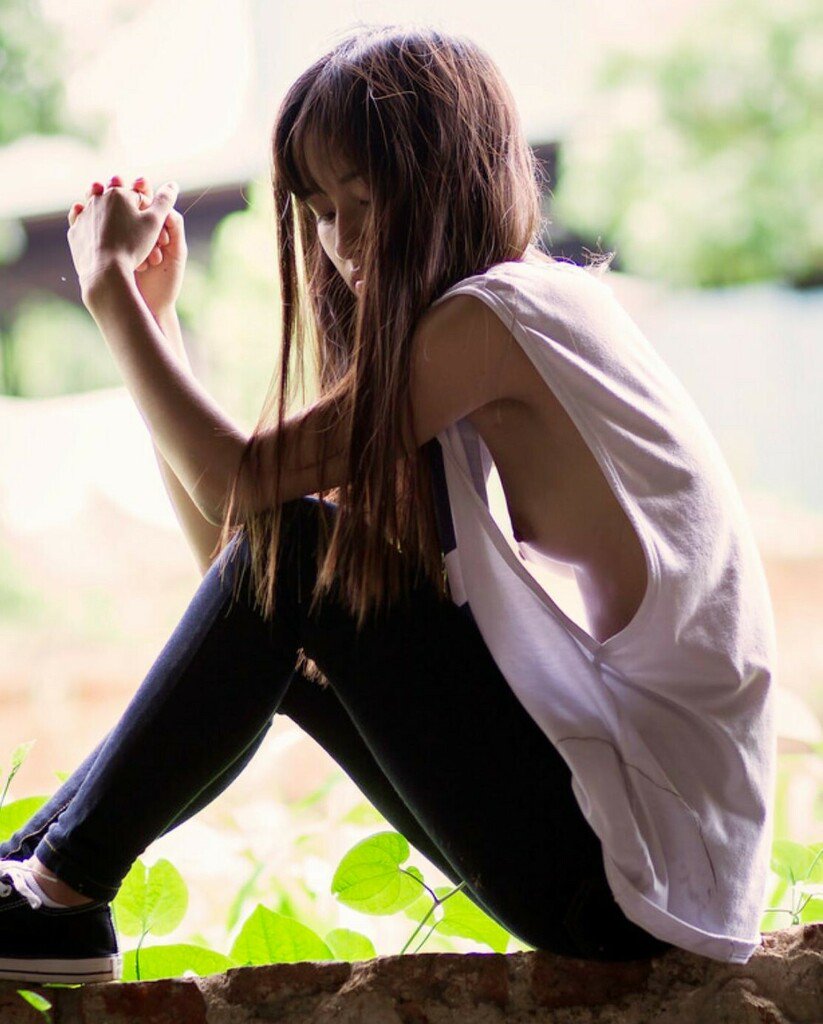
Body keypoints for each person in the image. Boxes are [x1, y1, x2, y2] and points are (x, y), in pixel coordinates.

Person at [0, 24, 776, 984]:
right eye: (320, 210)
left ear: (450, 176)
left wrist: (112, 292)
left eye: (364, 200)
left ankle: (58, 888)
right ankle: (38, 883)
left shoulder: (501, 316)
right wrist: (156, 321)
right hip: (616, 854)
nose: (341, 239)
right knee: (299, 569)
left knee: (300, 543)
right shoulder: (478, 347)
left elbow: (246, 500)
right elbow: (245, 580)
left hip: (633, 874)